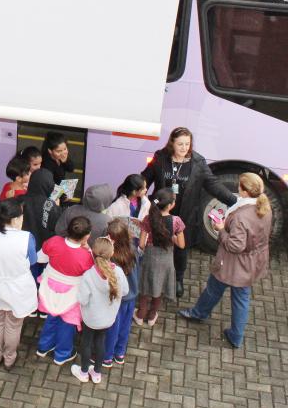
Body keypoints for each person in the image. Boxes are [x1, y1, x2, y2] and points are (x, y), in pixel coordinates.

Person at [178, 173, 273, 349]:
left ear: (244, 192)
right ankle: (236, 336)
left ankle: (198, 313)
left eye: (240, 186)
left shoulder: (241, 216)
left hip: (233, 264)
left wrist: (221, 229)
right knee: (241, 298)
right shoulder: (265, 208)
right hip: (253, 262)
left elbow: (235, 245)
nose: (237, 187)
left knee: (214, 289)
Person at [141, 126, 237, 298]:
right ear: (172, 143)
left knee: (181, 248)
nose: (184, 148)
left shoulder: (198, 163)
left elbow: (213, 184)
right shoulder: (161, 157)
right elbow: (146, 178)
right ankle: (152, 276)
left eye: (187, 144)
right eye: (180, 144)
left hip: (185, 215)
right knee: (156, 244)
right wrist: (134, 192)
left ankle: (178, 279)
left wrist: (234, 201)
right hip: (161, 212)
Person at [0, 198, 37, 370]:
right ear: (14, 219)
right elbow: (33, 261)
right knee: (13, 325)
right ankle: (9, 359)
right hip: (17, 289)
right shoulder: (26, 238)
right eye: (21, 217)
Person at [36, 217, 93, 366]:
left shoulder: (54, 241)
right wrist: (89, 250)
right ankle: (62, 354)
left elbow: (40, 258)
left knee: (52, 316)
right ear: (86, 236)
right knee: (67, 323)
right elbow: (90, 276)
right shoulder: (86, 256)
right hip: (71, 294)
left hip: (49, 288)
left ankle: (44, 346)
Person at [71, 237, 128, 384]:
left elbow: (82, 300)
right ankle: (96, 374)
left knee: (87, 343)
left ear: (94, 254)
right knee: (100, 342)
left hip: (90, 319)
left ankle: (83, 372)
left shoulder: (88, 276)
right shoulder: (119, 272)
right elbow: (125, 291)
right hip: (108, 318)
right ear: (112, 253)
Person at [134, 188, 185, 327]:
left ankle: (140, 314)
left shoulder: (148, 219)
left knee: (145, 285)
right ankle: (152, 316)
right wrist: (172, 236)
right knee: (160, 286)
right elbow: (181, 244)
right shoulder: (176, 221)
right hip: (166, 260)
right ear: (170, 205)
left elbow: (142, 244)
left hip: (150, 257)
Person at [101, 218, 139, 367]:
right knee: (125, 326)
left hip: (117, 298)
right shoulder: (132, 250)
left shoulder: (111, 258)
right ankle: (120, 353)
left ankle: (107, 356)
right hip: (131, 296)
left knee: (112, 328)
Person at [54, 183, 113, 248]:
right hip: (90, 255)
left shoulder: (71, 210)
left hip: (66, 249)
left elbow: (59, 231)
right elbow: (106, 246)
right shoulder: (107, 221)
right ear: (106, 202)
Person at [22, 168, 62, 249]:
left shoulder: (19, 199)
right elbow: (57, 228)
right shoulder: (50, 205)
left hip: (21, 245)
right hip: (43, 249)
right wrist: (57, 207)